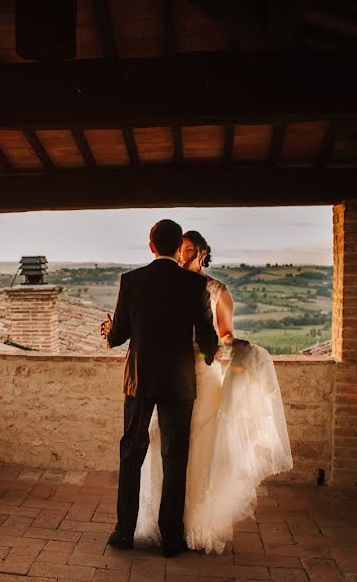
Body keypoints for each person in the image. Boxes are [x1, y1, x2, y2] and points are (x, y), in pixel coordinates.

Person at [134, 230, 293, 555]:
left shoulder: (217, 290)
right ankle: (163, 524)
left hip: (204, 376)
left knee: (200, 449)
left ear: (204, 252)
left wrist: (238, 346)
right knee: (164, 445)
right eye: (180, 250)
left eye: (190, 250)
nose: (184, 256)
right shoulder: (169, 285)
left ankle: (195, 524)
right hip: (170, 376)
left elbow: (224, 334)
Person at [101, 219, 219, 557]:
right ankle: (171, 538)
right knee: (175, 458)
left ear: (151, 246)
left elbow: (119, 334)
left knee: (131, 453)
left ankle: (124, 532)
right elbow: (207, 337)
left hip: (140, 380)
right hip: (179, 382)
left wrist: (109, 329)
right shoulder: (194, 285)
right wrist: (213, 355)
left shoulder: (132, 281)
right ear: (177, 247)